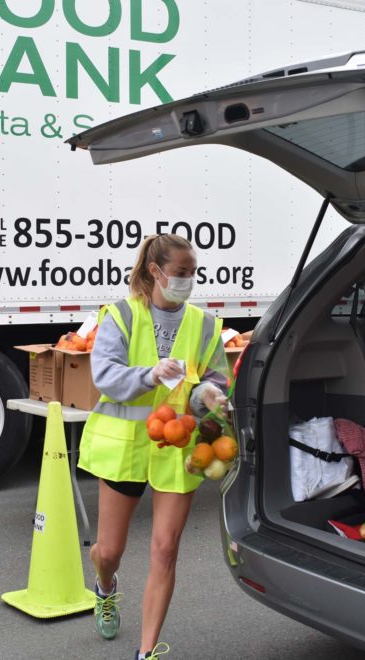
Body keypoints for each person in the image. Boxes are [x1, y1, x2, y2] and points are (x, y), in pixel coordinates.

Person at [77, 234, 230, 660]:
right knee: (108, 551)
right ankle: (105, 586)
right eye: (180, 273)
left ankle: (147, 653)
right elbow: (105, 376)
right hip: (126, 449)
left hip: (179, 449)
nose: (187, 281)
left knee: (165, 549)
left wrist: (213, 398)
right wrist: (148, 374)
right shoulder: (121, 316)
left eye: (192, 273)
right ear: (155, 271)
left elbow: (213, 381)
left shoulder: (204, 325)